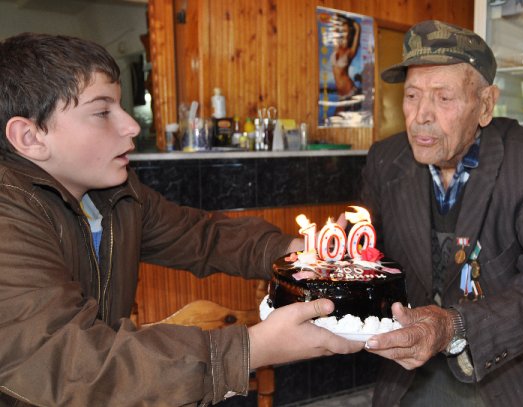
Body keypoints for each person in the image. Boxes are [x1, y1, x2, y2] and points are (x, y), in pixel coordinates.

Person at [0, 32, 363, 406]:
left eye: (121, 107)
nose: (132, 126)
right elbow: (67, 364)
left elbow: (202, 237)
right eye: (102, 112)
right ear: (29, 137)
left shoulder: (118, 195)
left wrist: (296, 250)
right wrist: (252, 348)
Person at [359, 20, 523, 406]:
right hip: (416, 372)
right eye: (412, 96)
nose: (421, 115)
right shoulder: (387, 161)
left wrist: (454, 325)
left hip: (515, 373)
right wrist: (342, 259)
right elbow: (372, 258)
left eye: (443, 98)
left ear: (485, 105)